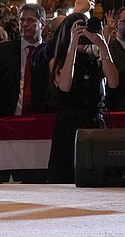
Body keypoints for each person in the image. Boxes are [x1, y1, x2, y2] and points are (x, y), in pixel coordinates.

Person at [47, 13, 120, 182]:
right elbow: (65, 86)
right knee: (66, 178)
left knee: (97, 176)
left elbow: (114, 82)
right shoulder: (57, 61)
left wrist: (102, 46)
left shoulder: (97, 58)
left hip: (95, 122)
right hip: (69, 127)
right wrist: (72, 45)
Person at [0, 3, 46, 117]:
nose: (25, 24)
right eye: (22, 20)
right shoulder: (3, 51)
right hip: (7, 119)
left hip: (39, 120)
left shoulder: (49, 52)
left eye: (30, 20)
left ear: (42, 25)